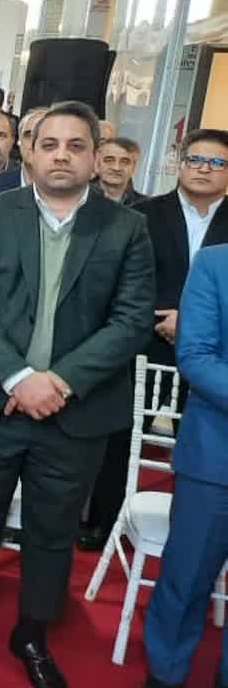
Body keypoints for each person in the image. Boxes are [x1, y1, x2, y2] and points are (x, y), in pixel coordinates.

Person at [0, 101, 155, 688]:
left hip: (75, 412)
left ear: (96, 157)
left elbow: (132, 320)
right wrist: (18, 377)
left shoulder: (126, 228)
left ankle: (32, 634)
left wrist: (60, 382)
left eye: (76, 146)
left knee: (53, 529)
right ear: (28, 151)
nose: (60, 156)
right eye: (48, 144)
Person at [81, 129, 228, 551]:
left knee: (202, 450)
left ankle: (192, 533)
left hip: (214, 358)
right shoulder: (141, 215)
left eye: (217, 163)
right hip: (144, 343)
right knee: (120, 439)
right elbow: (120, 282)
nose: (204, 169)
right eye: (196, 159)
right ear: (180, 163)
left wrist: (192, 323)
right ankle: (103, 521)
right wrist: (160, 318)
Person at [139, 243, 228, 688]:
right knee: (189, 573)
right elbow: (195, 357)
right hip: (216, 455)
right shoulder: (215, 263)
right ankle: (167, 672)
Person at [94, 136, 145, 205]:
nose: (116, 168)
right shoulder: (79, 196)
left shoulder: (145, 206)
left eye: (124, 162)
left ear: (134, 168)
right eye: (109, 160)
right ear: (97, 164)